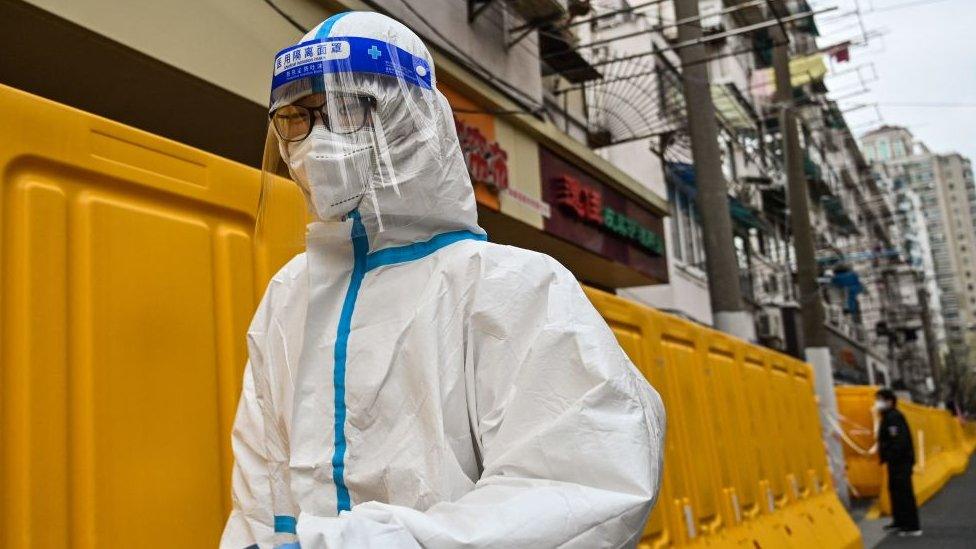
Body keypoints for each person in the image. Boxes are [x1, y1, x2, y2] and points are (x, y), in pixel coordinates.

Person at [220, 11, 665, 549]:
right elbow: (260, 493)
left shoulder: (514, 288)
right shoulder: (290, 297)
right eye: (297, 118)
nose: (318, 141)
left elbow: (583, 487)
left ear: (416, 119)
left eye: (349, 107)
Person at [875, 389, 921, 537]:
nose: (877, 403)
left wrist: (888, 454)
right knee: (895, 492)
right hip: (895, 462)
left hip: (900, 461)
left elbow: (898, 441)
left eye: (880, 399)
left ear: (889, 401)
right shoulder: (888, 416)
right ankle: (900, 521)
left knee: (904, 493)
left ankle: (911, 525)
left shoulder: (894, 417)